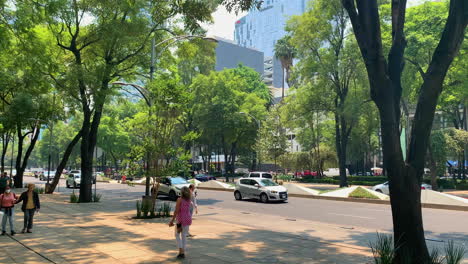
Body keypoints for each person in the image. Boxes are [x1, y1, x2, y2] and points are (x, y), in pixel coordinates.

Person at [168, 187, 192, 259]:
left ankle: (181, 251)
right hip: (187, 218)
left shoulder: (179, 199)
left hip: (180, 219)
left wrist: (172, 220)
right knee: (184, 236)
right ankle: (183, 252)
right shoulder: (189, 200)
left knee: (177, 235)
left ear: (182, 192)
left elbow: (176, 211)